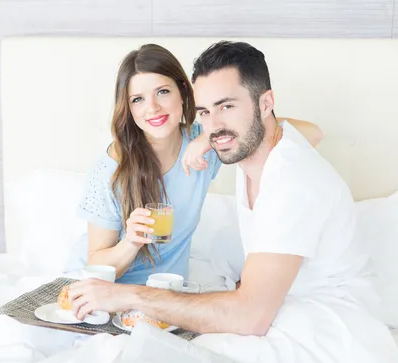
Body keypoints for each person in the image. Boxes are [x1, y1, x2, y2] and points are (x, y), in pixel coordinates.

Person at [68, 41, 398, 363]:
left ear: (266, 103)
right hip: (283, 310)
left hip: (328, 333)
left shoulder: (289, 177)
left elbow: (249, 316)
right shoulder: (245, 154)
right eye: (206, 112)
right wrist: (212, 139)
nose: (215, 125)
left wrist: (130, 297)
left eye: (227, 106)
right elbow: (97, 259)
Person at [71, 43, 322, 285]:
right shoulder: (110, 169)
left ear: (183, 93)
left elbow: (312, 133)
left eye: (162, 92)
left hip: (167, 297)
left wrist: (205, 139)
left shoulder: (204, 141)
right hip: (107, 295)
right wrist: (131, 243)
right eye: (138, 99)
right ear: (128, 108)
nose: (153, 108)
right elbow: (95, 267)